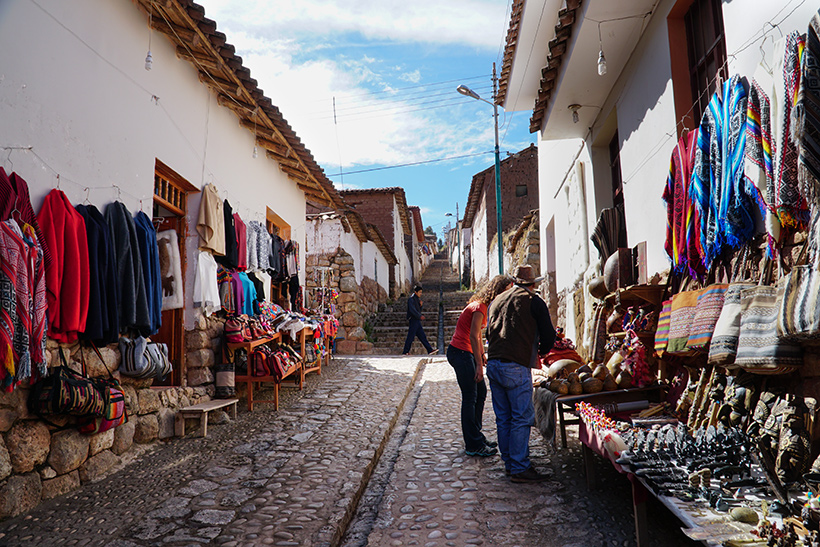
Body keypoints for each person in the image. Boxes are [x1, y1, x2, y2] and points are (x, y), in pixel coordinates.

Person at [486, 264, 556, 483]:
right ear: (533, 283)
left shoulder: (497, 300)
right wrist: (540, 351)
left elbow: (489, 332)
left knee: (503, 417)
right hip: (515, 366)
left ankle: (509, 462)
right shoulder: (534, 302)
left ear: (514, 281)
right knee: (521, 417)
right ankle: (519, 467)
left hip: (494, 364)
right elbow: (549, 335)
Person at [447, 274, 513, 457]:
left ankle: (476, 436)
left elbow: (477, 337)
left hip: (466, 352)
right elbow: (472, 335)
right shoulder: (479, 307)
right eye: (507, 290)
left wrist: (482, 355)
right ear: (498, 291)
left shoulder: (483, 306)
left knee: (481, 393)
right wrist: (478, 364)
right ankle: (473, 444)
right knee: (470, 397)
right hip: (460, 353)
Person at [402, 284, 435, 355]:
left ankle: (430, 350)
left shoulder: (417, 300)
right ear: (416, 292)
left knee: (422, 336)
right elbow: (412, 310)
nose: (421, 294)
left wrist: (421, 306)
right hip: (413, 320)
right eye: (419, 292)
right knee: (410, 336)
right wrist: (419, 316)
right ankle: (405, 351)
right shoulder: (411, 299)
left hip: (417, 320)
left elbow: (418, 310)